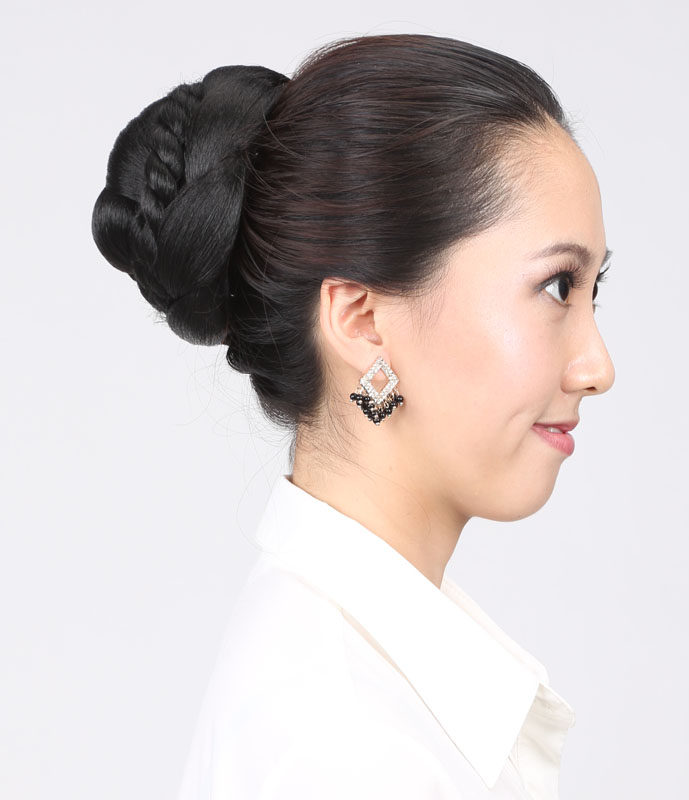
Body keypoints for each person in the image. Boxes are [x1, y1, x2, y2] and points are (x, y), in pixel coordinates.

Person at [91, 32, 615, 800]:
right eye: (557, 287)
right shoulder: (346, 751)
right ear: (363, 322)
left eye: (595, 290)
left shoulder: (356, 687)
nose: (597, 367)